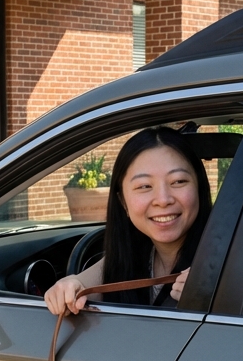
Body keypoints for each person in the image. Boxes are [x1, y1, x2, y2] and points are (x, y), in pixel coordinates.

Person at [44, 126, 213, 315]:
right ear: (123, 201)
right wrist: (67, 288)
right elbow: (81, 284)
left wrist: (219, 298)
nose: (163, 199)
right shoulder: (133, 251)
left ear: (199, 187)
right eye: (144, 186)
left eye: (178, 181)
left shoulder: (231, 258)